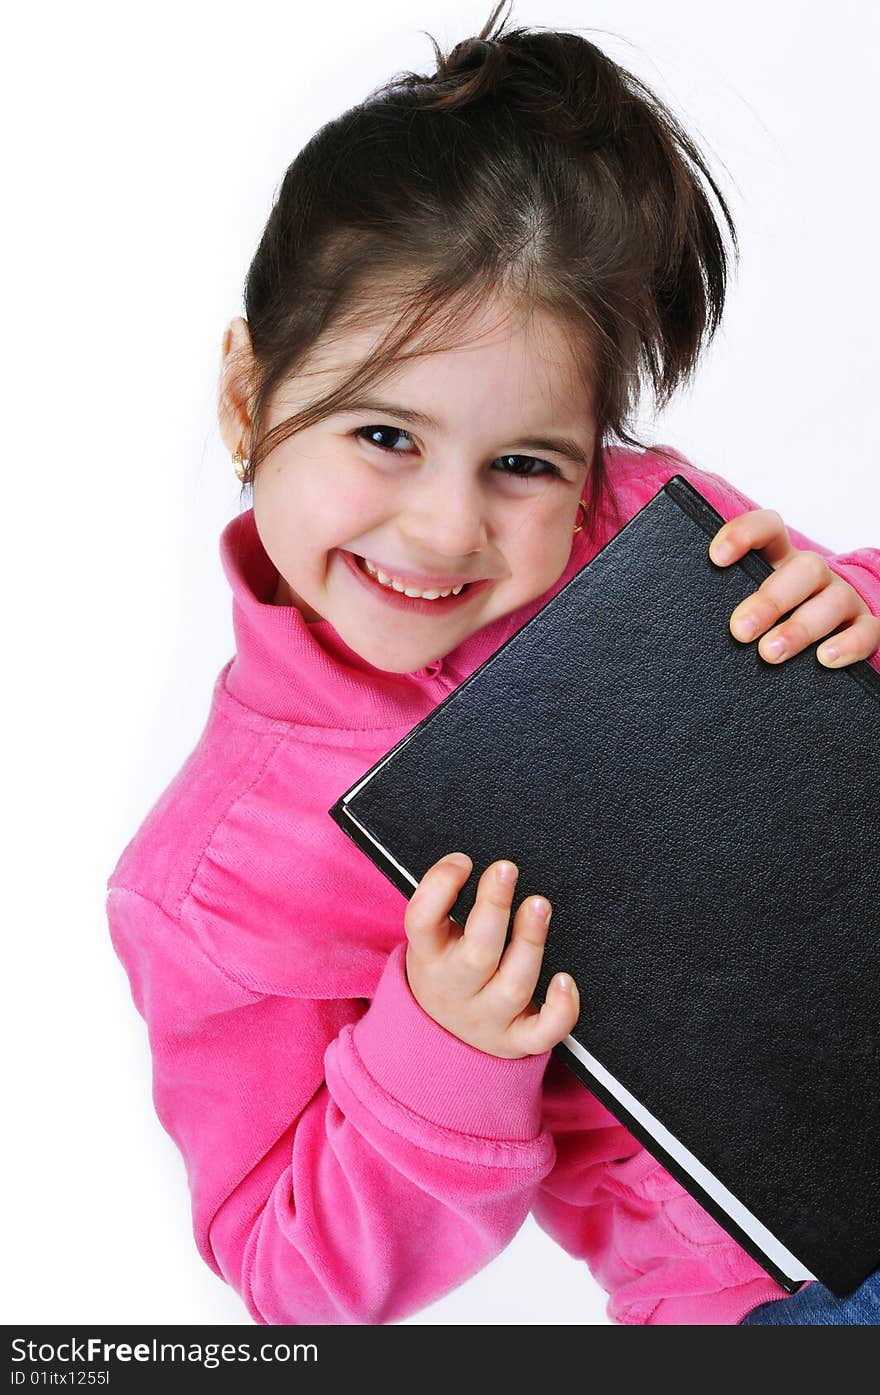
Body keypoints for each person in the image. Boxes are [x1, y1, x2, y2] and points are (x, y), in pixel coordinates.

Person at [106, 1, 880, 1326]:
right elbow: (295, 1278)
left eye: (524, 463)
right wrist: (445, 1045)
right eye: (384, 436)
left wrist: (853, 615)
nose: (446, 528)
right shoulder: (212, 884)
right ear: (250, 396)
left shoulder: (652, 530)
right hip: (774, 1295)